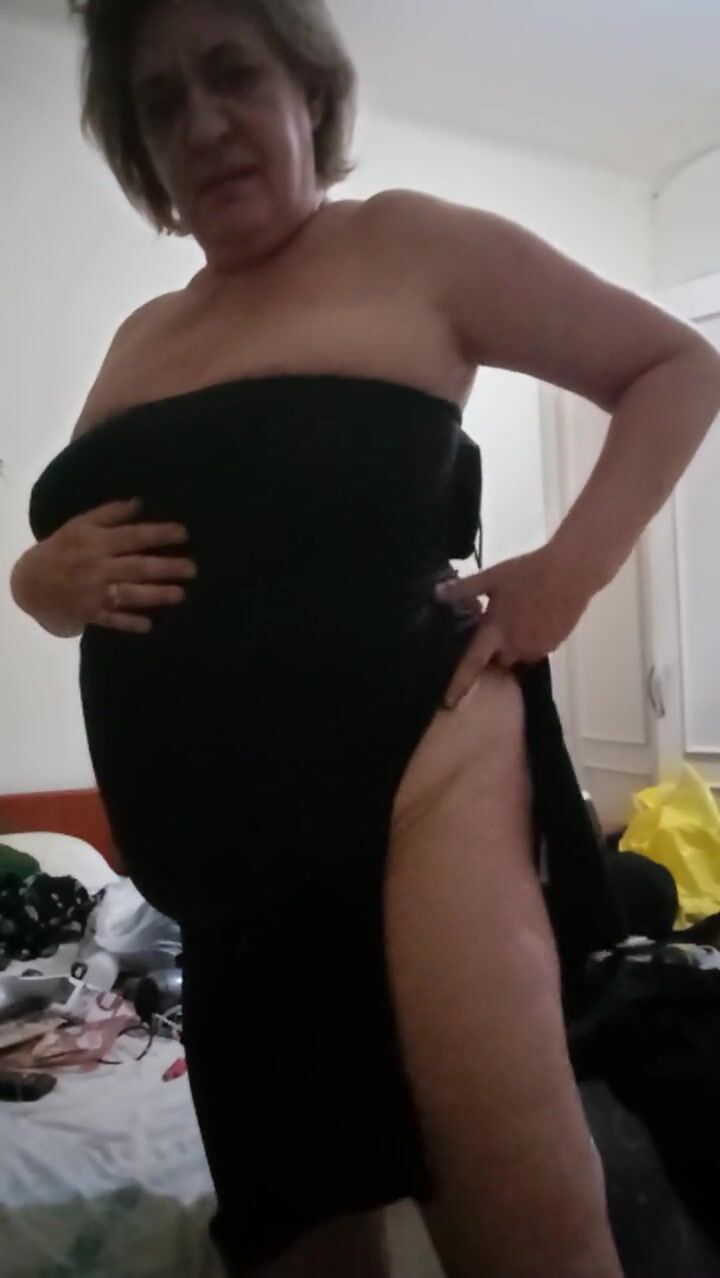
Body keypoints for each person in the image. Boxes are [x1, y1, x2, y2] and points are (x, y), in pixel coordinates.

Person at [10, 1, 720, 1275]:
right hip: (224, 875)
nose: (203, 123)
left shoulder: (412, 244)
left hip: (416, 782)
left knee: (516, 1216)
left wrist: (568, 575)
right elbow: (76, 562)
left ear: (310, 90)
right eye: (161, 103)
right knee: (300, 1234)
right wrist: (36, 581)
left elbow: (678, 366)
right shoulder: (141, 336)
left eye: (233, 74)